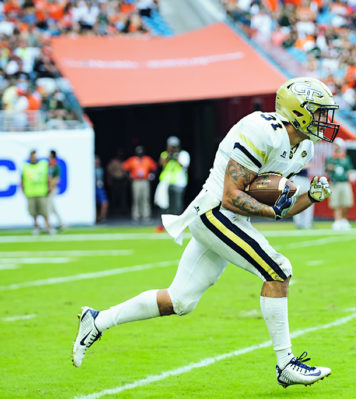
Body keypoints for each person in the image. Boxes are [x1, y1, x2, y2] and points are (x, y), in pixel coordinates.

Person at [73, 77, 338, 388]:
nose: (325, 121)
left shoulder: (302, 148)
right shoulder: (262, 131)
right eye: (319, 113)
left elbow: (280, 206)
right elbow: (232, 196)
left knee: (180, 300)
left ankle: (98, 319)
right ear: (299, 111)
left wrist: (310, 197)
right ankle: (285, 364)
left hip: (231, 218)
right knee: (278, 270)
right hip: (214, 211)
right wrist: (272, 210)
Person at [156, 136, 190, 230]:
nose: (171, 148)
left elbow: (184, 165)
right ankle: (164, 224)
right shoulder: (165, 154)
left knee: (177, 205)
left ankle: (177, 224)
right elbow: (161, 164)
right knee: (164, 204)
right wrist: (168, 155)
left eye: (173, 146)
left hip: (179, 183)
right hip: (165, 183)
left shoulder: (183, 154)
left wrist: (176, 157)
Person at [21, 150, 53, 235]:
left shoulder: (42, 165)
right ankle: (36, 227)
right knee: (33, 213)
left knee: (44, 211)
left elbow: (48, 177)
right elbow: (22, 180)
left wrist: (49, 187)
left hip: (41, 192)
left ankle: (48, 227)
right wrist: (23, 190)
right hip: (31, 193)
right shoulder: (26, 167)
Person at [325, 137, 354, 230]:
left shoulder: (346, 158)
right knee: (336, 203)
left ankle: (343, 219)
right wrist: (329, 168)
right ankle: (337, 221)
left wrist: (351, 176)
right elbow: (325, 169)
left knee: (347, 203)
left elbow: (349, 170)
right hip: (335, 182)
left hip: (344, 182)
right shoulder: (330, 158)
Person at [122, 145, 157, 223]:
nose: (140, 153)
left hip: (145, 180)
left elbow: (154, 167)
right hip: (136, 181)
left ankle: (146, 215)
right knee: (136, 198)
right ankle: (136, 215)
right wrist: (129, 177)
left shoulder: (147, 159)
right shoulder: (132, 159)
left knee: (145, 198)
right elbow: (124, 168)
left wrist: (152, 176)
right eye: (138, 151)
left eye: (141, 151)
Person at [47, 149, 64, 230]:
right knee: (52, 207)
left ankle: (48, 225)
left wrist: (50, 186)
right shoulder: (48, 165)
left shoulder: (56, 166)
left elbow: (57, 178)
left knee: (48, 207)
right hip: (48, 188)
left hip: (53, 189)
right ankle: (60, 223)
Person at [95, 155, 109, 223]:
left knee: (104, 202)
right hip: (94, 188)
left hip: (100, 188)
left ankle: (102, 217)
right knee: (94, 204)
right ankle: (95, 218)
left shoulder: (101, 169)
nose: (97, 162)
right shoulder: (91, 169)